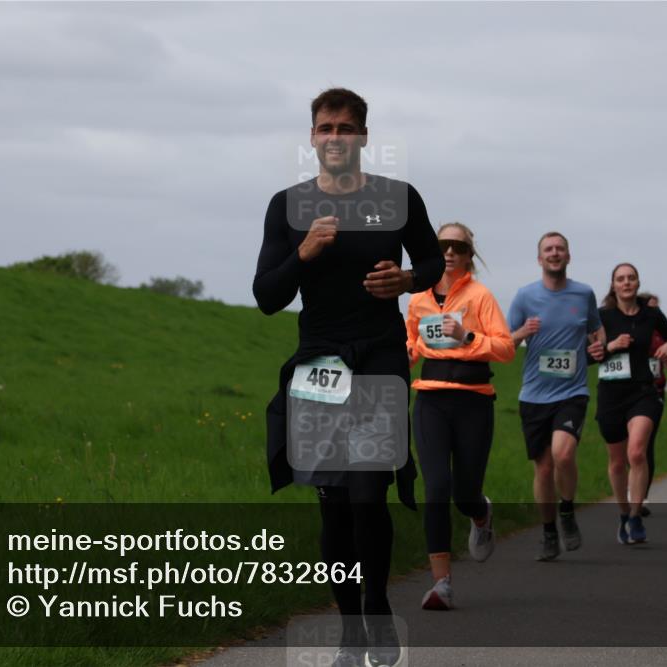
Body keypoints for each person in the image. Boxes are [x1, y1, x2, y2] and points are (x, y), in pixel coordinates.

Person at [253, 88, 443, 667]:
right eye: (324, 127)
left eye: (345, 127)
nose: (334, 137)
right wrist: (303, 253)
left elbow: (434, 262)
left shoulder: (398, 197)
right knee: (333, 501)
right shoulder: (287, 206)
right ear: (312, 137)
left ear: (363, 136)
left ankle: (378, 608)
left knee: (367, 491)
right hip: (319, 362)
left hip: (381, 355)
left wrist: (408, 282)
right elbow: (266, 296)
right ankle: (349, 630)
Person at [406, 222, 515, 610]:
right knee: (435, 487)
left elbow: (505, 349)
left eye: (458, 246)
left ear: (470, 255)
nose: (450, 252)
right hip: (431, 401)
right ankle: (441, 585)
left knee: (463, 493)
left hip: (473, 401)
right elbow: (412, 342)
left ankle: (481, 513)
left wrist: (467, 336)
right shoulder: (417, 298)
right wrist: (405, 355)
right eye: (443, 245)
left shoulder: (481, 296)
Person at [508, 232, 605, 561]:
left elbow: (596, 328)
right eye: (548, 249)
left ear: (568, 256)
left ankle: (566, 510)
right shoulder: (524, 297)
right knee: (544, 468)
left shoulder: (584, 293)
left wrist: (598, 345)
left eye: (559, 248)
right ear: (539, 259)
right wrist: (522, 333)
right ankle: (549, 531)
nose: (554, 253)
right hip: (534, 394)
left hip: (572, 391)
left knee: (563, 455)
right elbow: (505, 342)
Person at [595, 268, 667, 544]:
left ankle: (635, 515)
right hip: (610, 395)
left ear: (638, 282)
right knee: (617, 462)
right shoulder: (601, 317)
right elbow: (587, 356)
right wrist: (610, 347)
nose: (626, 282)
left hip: (643, 391)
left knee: (637, 452)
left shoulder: (650, 314)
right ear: (613, 285)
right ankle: (622, 513)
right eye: (621, 279)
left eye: (631, 278)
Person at [634, 292, 667, 518]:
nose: (655, 313)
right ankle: (627, 491)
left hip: (654, 393)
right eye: (651, 308)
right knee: (627, 448)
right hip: (628, 393)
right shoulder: (632, 328)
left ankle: (642, 496)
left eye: (657, 309)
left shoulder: (663, 333)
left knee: (645, 446)